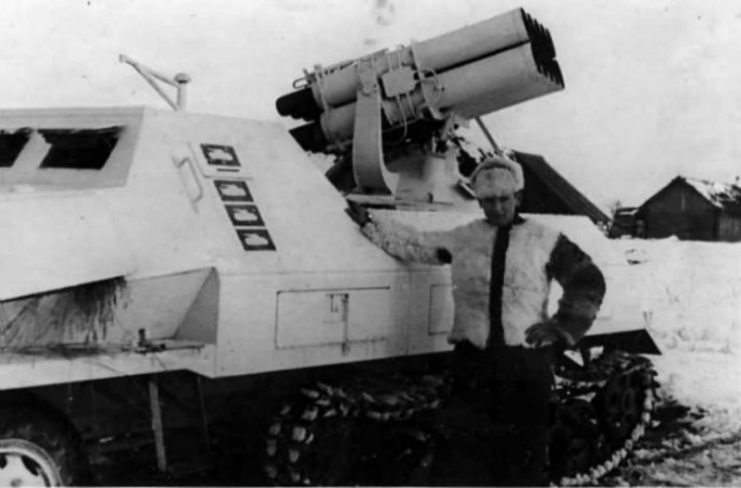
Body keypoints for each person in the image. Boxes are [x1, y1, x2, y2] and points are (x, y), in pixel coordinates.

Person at [346, 155, 606, 486]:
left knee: (521, 460)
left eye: (503, 199)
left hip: (524, 367)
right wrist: (370, 223)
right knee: (461, 458)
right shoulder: (465, 238)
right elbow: (416, 245)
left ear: (517, 198)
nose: (496, 208)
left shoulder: (545, 239)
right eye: (488, 201)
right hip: (473, 365)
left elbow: (589, 280)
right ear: (480, 201)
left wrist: (563, 325)